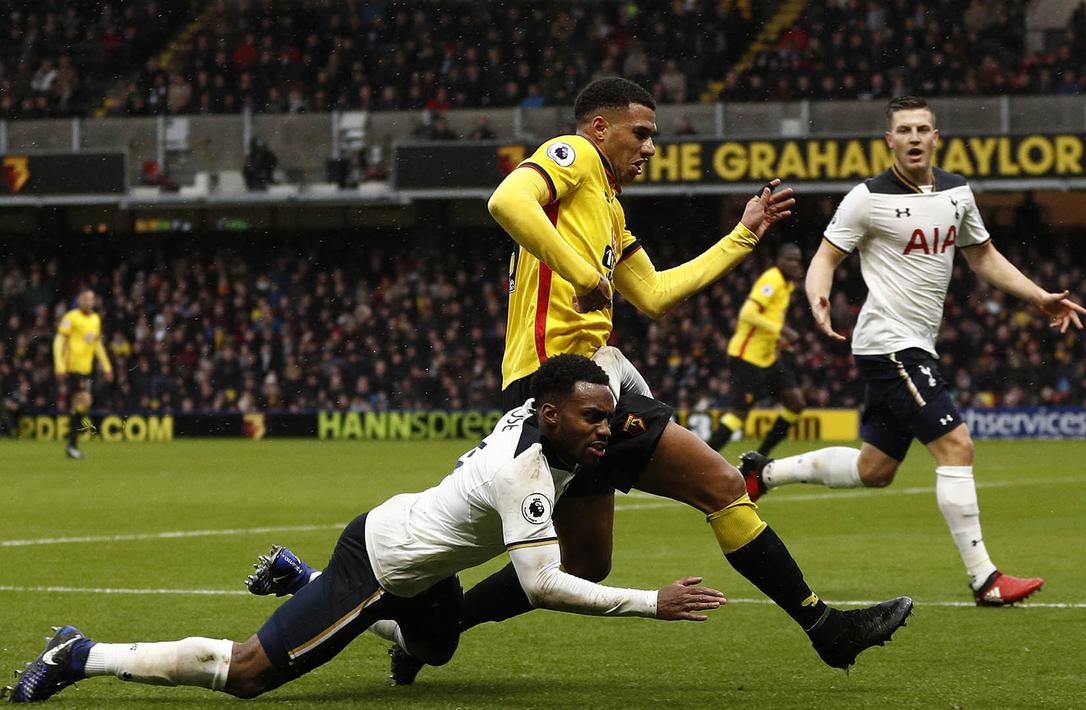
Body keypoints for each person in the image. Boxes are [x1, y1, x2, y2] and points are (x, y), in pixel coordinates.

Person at [381, 76, 911, 684]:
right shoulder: (573, 155)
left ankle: (423, 638)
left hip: (571, 389)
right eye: (642, 133)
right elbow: (506, 201)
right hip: (562, 389)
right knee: (720, 484)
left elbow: (655, 296)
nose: (650, 147)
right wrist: (581, 271)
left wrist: (743, 235)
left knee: (586, 560)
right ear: (599, 128)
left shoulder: (608, 207)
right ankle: (827, 629)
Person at [3, 355, 729, 703]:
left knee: (433, 650)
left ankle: (301, 579)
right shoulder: (525, 474)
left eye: (608, 416)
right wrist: (650, 603)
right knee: (249, 673)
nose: (607, 430)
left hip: (421, 563)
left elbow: (609, 368)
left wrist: (638, 403)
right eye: (593, 419)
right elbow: (540, 583)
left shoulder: (550, 416)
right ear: (548, 417)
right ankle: (81, 654)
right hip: (380, 559)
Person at [738, 96, 1086, 606]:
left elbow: (983, 255)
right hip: (889, 344)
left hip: (916, 344)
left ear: (936, 136)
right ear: (889, 141)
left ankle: (761, 472)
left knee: (874, 471)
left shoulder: (956, 193)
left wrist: (1037, 296)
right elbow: (825, 257)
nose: (915, 137)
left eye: (923, 128)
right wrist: (817, 294)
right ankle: (985, 579)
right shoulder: (866, 198)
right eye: (905, 130)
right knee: (956, 446)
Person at [706, 243, 807, 456]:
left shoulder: (787, 285)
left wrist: (777, 339)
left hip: (767, 358)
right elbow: (747, 313)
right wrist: (782, 330)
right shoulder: (772, 279)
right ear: (778, 261)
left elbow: (766, 318)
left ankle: (761, 457)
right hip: (747, 356)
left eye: (797, 260)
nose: (794, 264)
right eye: (789, 259)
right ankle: (702, 457)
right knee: (739, 415)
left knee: (796, 403)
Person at [53, 289, 113, 459]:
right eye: (85, 298)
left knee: (79, 406)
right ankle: (72, 443)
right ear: (79, 300)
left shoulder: (95, 319)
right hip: (72, 368)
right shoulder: (70, 318)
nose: (88, 302)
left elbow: (97, 345)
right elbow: (59, 341)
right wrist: (59, 365)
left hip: (86, 370)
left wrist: (107, 366)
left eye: (91, 299)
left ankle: (71, 445)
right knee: (85, 399)